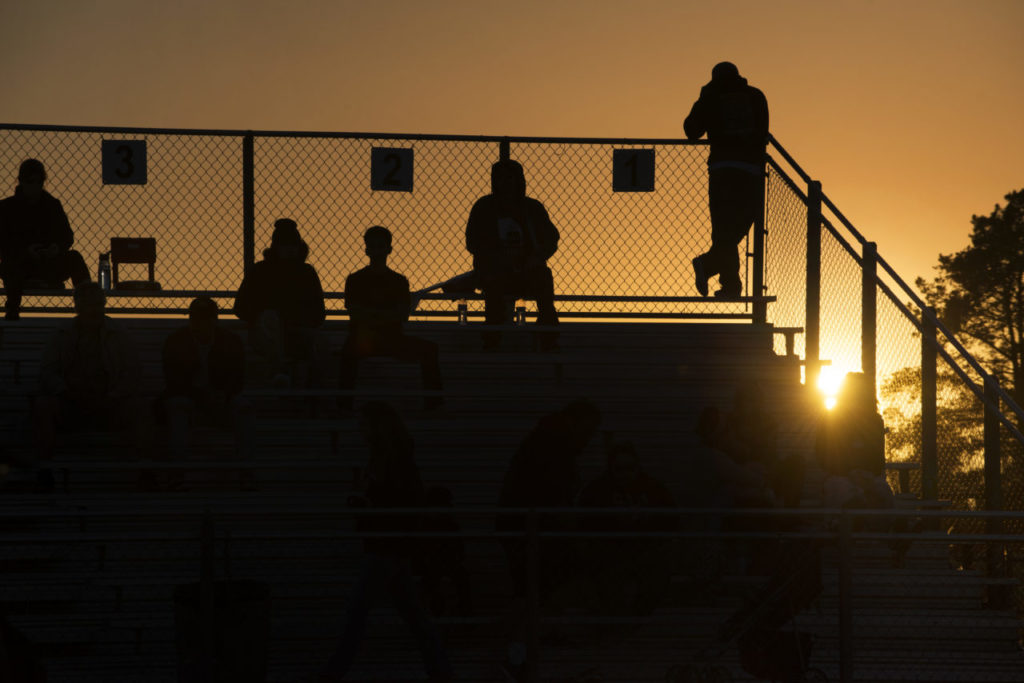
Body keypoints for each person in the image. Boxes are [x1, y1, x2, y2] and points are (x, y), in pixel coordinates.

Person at [320, 401, 452, 683]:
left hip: (385, 548)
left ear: (377, 427)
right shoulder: (392, 458)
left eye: (364, 423)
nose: (360, 428)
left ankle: (332, 674)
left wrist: (367, 503)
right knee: (416, 619)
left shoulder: (392, 461)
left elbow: (398, 504)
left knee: (356, 615)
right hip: (391, 547)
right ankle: (442, 672)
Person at [496, 399, 601, 682]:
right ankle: (516, 656)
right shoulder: (556, 448)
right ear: (576, 423)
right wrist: (574, 535)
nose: (588, 441)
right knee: (541, 593)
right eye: (588, 432)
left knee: (530, 593)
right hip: (534, 533)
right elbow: (556, 499)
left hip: (524, 529)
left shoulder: (545, 440)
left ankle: (519, 654)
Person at [33, 282, 146, 463]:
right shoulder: (62, 335)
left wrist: (113, 396)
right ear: (78, 307)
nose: (94, 310)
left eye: (98, 305)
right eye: (89, 305)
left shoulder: (119, 335)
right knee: (43, 406)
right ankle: (44, 471)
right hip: (71, 403)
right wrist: (65, 392)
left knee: (140, 408)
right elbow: (47, 372)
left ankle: (145, 471)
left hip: (110, 404)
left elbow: (133, 373)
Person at [685, 62, 769, 298]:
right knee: (734, 230)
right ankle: (727, 283)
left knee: (724, 231)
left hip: (723, 171)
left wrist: (704, 98)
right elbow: (763, 131)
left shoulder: (712, 97)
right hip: (751, 171)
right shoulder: (755, 95)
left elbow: (691, 130)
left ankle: (714, 269)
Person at [339, 226, 443, 411]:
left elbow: (401, 314)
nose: (377, 251)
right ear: (367, 250)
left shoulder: (398, 281)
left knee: (430, 350)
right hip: (366, 339)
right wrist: (385, 315)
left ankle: (434, 407)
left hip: (390, 339)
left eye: (381, 246)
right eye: (373, 246)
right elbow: (356, 312)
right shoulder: (356, 280)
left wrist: (373, 315)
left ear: (389, 249)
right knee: (346, 355)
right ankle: (343, 409)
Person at [465, 157, 560, 350]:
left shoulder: (532, 208)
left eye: (510, 178)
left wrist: (536, 258)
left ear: (519, 180)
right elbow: (472, 241)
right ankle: (492, 339)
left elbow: (551, 239)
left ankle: (548, 336)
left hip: (527, 271)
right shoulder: (484, 207)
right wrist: (494, 259)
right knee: (492, 284)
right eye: (500, 178)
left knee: (544, 276)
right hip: (495, 272)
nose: (505, 182)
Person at [576, 440, 676, 617]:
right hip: (610, 555)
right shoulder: (597, 491)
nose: (625, 474)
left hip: (646, 553)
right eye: (619, 468)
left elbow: (671, 520)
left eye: (630, 467)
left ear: (638, 466)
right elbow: (585, 524)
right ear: (611, 469)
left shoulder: (653, 488)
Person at [156, 297, 253, 463]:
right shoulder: (176, 341)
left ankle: (246, 469)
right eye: (196, 318)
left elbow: (238, 379)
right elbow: (173, 381)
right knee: (177, 406)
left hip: (221, 400)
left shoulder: (230, 342)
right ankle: (178, 471)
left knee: (243, 407)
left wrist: (223, 394)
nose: (200, 324)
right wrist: (202, 396)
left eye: (205, 319)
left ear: (214, 321)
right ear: (190, 320)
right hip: (189, 399)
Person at [233, 218, 326, 387]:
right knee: (271, 319)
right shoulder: (260, 270)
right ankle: (280, 371)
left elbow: (319, 313)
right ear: (275, 247)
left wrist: (298, 322)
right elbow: (240, 307)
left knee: (319, 342)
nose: (289, 249)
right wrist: (263, 315)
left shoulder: (306, 273)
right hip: (266, 333)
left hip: (297, 331)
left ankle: (311, 397)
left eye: (293, 245)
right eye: (284, 244)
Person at [0, 159, 89, 320]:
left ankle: (89, 308)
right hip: (21, 265)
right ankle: (12, 310)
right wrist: (26, 251)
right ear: (21, 181)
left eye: (38, 181)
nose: (34, 186)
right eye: (30, 181)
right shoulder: (6, 208)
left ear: (43, 181)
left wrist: (56, 248)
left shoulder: (53, 205)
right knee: (10, 263)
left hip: (49, 263)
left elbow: (67, 237)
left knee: (75, 258)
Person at [815, 372, 893, 510]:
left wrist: (866, 474)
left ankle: (889, 527)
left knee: (883, 491)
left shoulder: (874, 421)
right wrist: (849, 472)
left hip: (868, 477)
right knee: (845, 492)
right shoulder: (831, 418)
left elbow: (878, 459)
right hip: (839, 476)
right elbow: (822, 455)